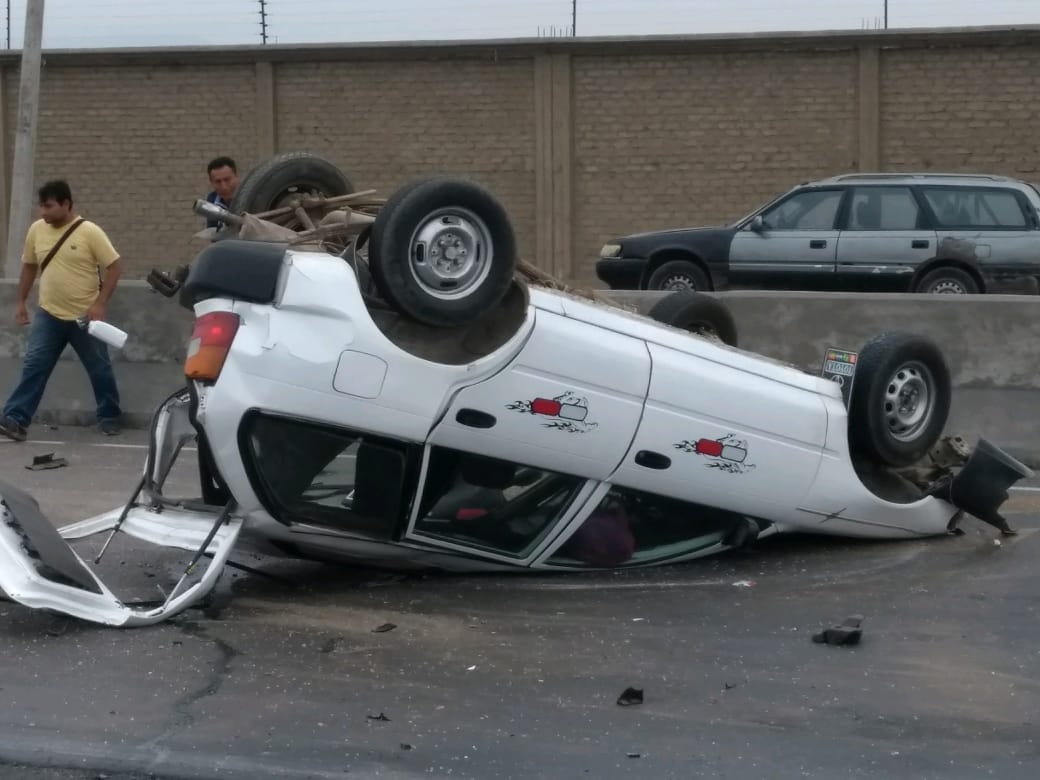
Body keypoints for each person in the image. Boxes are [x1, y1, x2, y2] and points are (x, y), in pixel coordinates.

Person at [0, 180, 123, 442]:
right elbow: (29, 267)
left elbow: (114, 266)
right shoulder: (37, 230)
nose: (43, 212)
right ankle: (16, 419)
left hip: (84, 317)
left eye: (49, 206)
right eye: (41, 206)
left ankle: (110, 416)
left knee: (99, 368)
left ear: (66, 204)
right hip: (49, 315)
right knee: (35, 366)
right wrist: (21, 301)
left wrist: (100, 304)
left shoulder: (90, 232)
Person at [203, 156, 239, 228]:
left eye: (227, 179)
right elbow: (213, 233)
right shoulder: (212, 202)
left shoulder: (253, 197)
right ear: (211, 182)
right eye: (218, 182)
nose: (224, 187)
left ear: (236, 176)